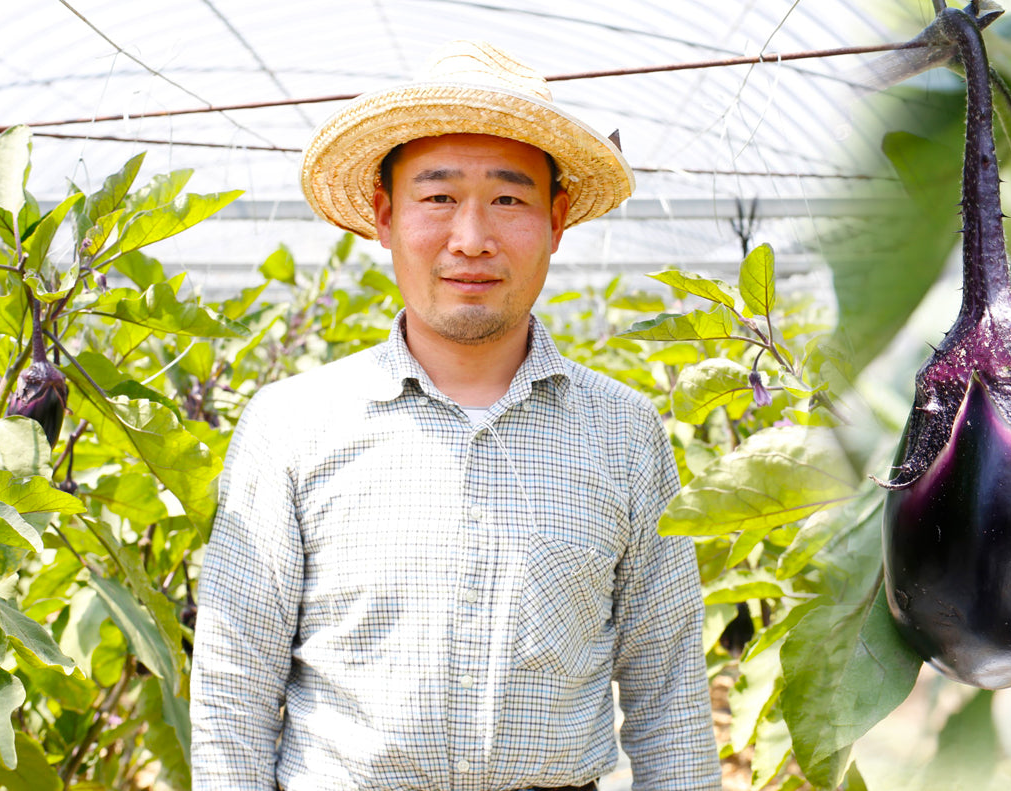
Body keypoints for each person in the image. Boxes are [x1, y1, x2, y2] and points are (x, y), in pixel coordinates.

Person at [191, 40, 721, 791]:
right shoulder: (292, 425)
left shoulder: (625, 433)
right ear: (383, 215)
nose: (471, 238)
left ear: (556, 219)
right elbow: (232, 682)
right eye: (437, 197)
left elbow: (668, 691)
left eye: (508, 199)